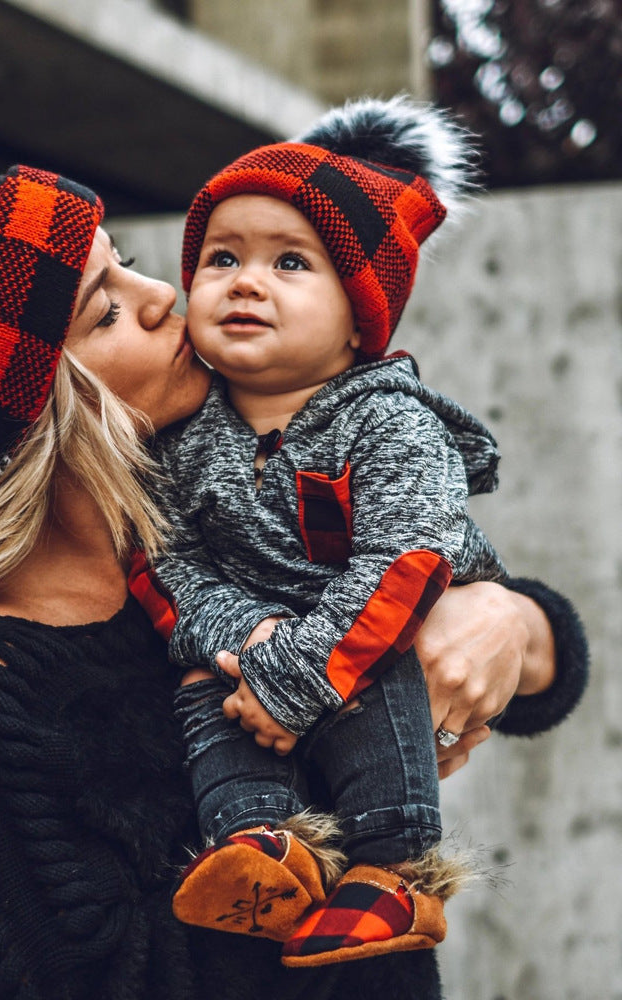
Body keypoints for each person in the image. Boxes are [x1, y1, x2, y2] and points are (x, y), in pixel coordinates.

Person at [0, 163, 587, 999]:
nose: (164, 299)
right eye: (103, 313)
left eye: (133, 265)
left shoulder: (217, 510)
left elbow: (543, 667)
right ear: (25, 412)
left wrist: (506, 622)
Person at [150, 97, 585, 967]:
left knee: (382, 660)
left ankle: (396, 873)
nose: (244, 280)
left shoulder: (388, 422)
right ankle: (263, 848)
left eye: (290, 263)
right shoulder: (183, 439)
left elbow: (407, 558)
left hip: (380, 631)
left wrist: (300, 672)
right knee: (206, 678)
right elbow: (166, 561)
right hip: (262, 652)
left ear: (359, 318)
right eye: (221, 257)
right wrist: (249, 642)